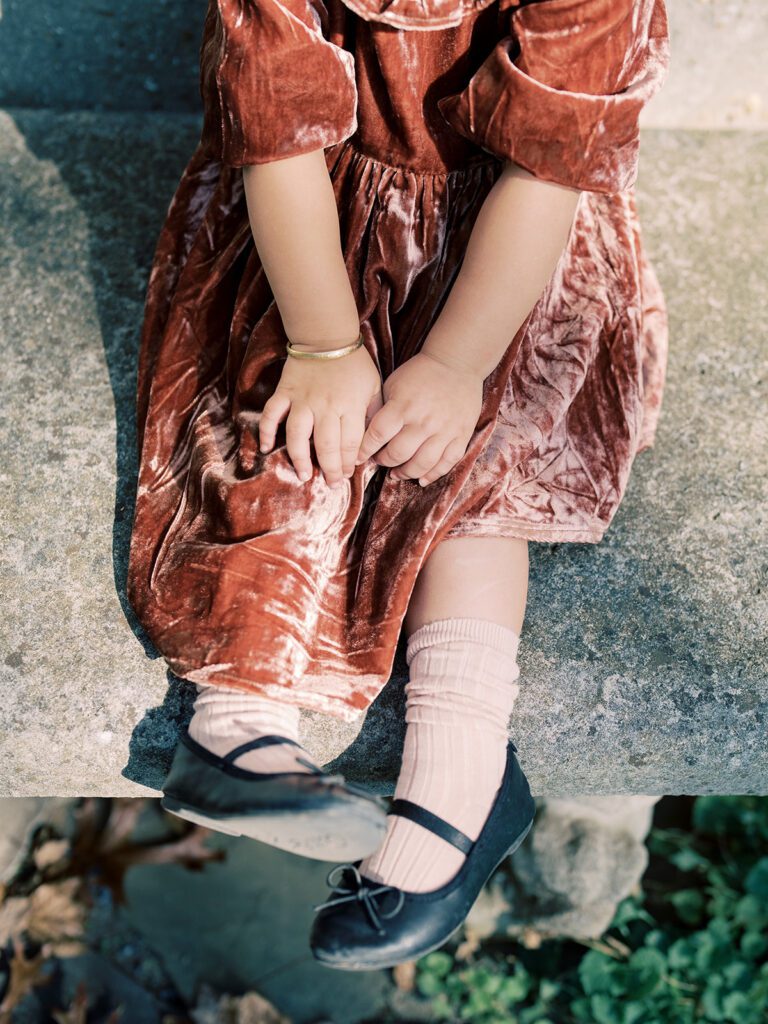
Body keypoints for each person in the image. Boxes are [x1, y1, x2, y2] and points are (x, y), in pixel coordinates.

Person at [126, 0, 671, 969]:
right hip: (318, 204)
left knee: (473, 468)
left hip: (510, 235)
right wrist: (324, 341)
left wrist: (459, 363)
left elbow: (548, 161)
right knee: (286, 412)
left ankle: (458, 785)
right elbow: (278, 128)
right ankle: (239, 727)